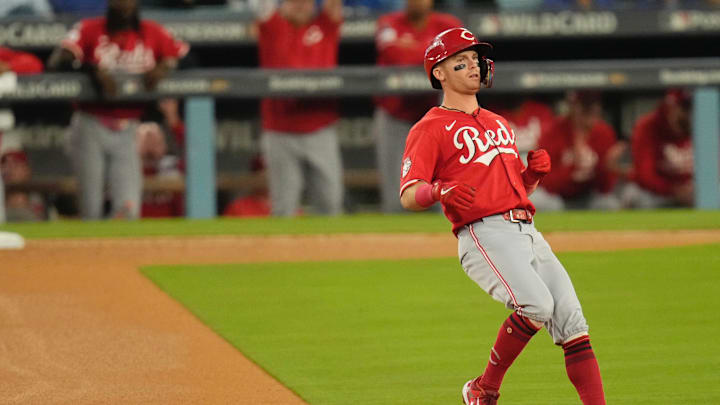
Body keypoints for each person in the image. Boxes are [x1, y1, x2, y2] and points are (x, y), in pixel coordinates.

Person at [399, 28, 606, 404]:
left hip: (526, 229)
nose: (473, 66)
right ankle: (484, 389)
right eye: (461, 61)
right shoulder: (429, 128)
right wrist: (437, 190)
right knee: (537, 305)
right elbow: (409, 194)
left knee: (574, 323)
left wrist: (531, 177)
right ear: (439, 73)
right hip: (484, 234)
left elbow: (512, 190)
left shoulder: (496, 122)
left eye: (475, 60)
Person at [47, 0, 189, 220]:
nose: (124, 5)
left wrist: (165, 65)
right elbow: (57, 61)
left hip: (128, 128)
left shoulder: (151, 32)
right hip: (90, 123)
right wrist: (92, 70)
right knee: (91, 207)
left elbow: (185, 57)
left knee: (128, 209)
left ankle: (122, 254)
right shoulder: (89, 28)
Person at [252, 0, 344, 216]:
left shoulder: (324, 26)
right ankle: (283, 250)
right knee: (284, 208)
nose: (301, 5)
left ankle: (332, 250)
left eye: (306, 1)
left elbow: (334, 6)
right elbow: (263, 7)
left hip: (320, 128)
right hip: (280, 131)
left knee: (331, 205)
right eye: (294, 1)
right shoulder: (273, 26)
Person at [373, 0, 461, 213]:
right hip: (395, 116)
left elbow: (460, 56)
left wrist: (411, 49)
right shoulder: (388, 23)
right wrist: (434, 53)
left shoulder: (448, 24)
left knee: (443, 196)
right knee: (396, 197)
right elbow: (395, 55)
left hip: (436, 122)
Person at [533, 90, 622, 211]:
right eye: (584, 105)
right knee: (540, 201)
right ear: (573, 106)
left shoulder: (604, 133)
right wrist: (572, 173)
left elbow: (606, 187)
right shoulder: (553, 131)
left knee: (609, 204)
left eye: (594, 105)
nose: (590, 110)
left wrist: (604, 167)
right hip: (558, 196)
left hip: (590, 197)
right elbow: (543, 179)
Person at [621, 89, 694, 208]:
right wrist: (673, 190)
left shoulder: (705, 123)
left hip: (694, 190)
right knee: (635, 194)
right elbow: (645, 175)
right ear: (670, 106)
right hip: (657, 193)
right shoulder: (648, 126)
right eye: (684, 108)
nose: (689, 113)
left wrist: (700, 188)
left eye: (691, 108)